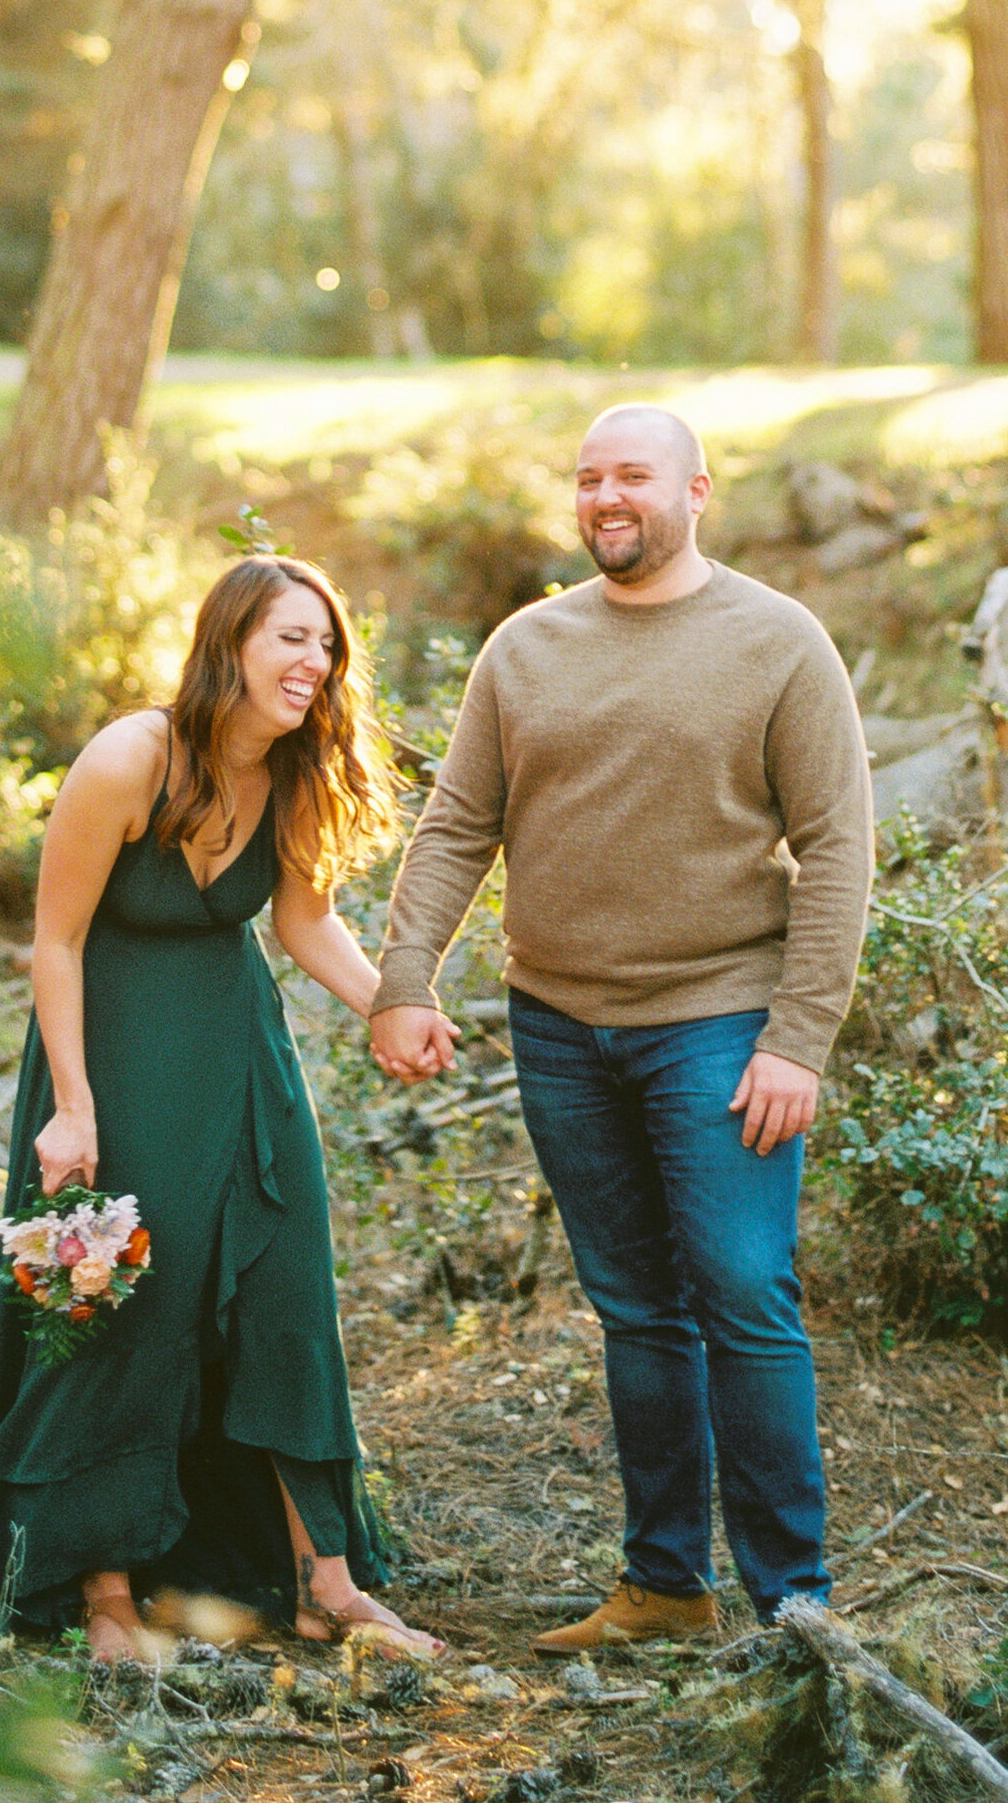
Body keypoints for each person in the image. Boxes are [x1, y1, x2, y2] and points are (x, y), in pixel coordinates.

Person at [368, 405, 871, 1648]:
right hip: (557, 1027)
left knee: (743, 1294)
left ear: (697, 488)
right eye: (588, 475)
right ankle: (663, 1585)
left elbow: (838, 848)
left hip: (718, 1022)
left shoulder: (778, 642)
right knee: (636, 1307)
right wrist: (403, 978)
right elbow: (454, 825)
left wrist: (797, 1038)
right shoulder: (524, 647)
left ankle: (793, 1603)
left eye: (632, 474)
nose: (606, 495)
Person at [0, 554, 441, 1663]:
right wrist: (72, 1110)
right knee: (125, 1299)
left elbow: (305, 923)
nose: (314, 663)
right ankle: (104, 1584)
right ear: (231, 644)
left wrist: (390, 1006)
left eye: (327, 644)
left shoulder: (295, 770)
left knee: (283, 1293)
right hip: (117, 1056)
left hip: (239, 1053)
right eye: (291, 638)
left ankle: (326, 1580)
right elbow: (58, 940)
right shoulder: (132, 756)